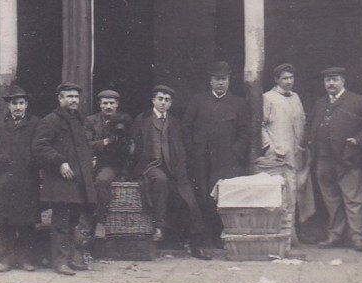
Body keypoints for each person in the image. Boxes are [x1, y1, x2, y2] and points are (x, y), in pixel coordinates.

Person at [131, 85, 212, 260]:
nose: (163, 103)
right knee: (160, 180)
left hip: (174, 170)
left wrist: (180, 168)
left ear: (171, 103)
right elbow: (133, 148)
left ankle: (195, 245)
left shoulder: (175, 122)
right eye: (160, 99)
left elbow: (182, 149)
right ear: (153, 100)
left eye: (167, 100)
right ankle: (159, 227)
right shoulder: (142, 119)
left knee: (190, 202)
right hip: (151, 167)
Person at [31, 82, 97, 275]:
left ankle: (69, 259)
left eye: (76, 97)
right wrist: (60, 162)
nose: (74, 100)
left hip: (77, 181)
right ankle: (59, 262)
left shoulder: (78, 120)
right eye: (69, 96)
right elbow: (39, 147)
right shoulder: (51, 120)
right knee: (60, 222)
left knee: (72, 221)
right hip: (60, 181)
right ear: (60, 99)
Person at [307, 67, 362, 251]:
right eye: (327, 80)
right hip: (323, 158)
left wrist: (357, 140)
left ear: (343, 81)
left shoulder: (357, 100)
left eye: (335, 79)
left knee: (353, 199)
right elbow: (311, 124)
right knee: (331, 200)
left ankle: (358, 237)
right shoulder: (320, 102)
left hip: (347, 158)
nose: (330, 83)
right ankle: (335, 235)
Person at [183, 61, 250, 245]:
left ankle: (221, 236)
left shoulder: (238, 103)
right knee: (202, 197)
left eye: (224, 79)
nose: (221, 83)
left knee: (223, 197)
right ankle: (204, 237)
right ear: (210, 81)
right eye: (217, 79)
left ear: (229, 81)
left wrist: (234, 153)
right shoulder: (198, 100)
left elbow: (245, 132)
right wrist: (193, 151)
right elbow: (186, 127)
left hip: (226, 161)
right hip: (201, 159)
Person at [0, 84, 40, 272]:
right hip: (5, 180)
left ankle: (26, 259)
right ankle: (7, 259)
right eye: (14, 103)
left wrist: (34, 160)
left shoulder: (36, 123)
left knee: (27, 222)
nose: (18, 107)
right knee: (5, 222)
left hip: (27, 179)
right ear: (8, 106)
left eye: (21, 103)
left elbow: (42, 146)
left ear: (27, 104)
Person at [260, 63, 315, 243]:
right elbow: (261, 125)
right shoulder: (268, 98)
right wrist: (270, 146)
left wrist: (302, 144)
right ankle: (283, 235)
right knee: (282, 195)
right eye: (285, 78)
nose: (289, 81)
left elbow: (302, 122)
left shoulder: (296, 97)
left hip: (296, 153)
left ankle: (296, 233)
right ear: (276, 80)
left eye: (291, 78)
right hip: (278, 154)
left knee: (298, 194)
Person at [84, 89, 134, 239]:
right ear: (99, 104)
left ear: (117, 104)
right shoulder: (91, 121)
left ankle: (101, 222)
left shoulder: (124, 120)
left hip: (113, 164)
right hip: (94, 161)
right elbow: (86, 144)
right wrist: (105, 142)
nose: (108, 106)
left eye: (111, 103)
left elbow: (130, 143)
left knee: (102, 180)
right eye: (105, 103)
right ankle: (83, 226)